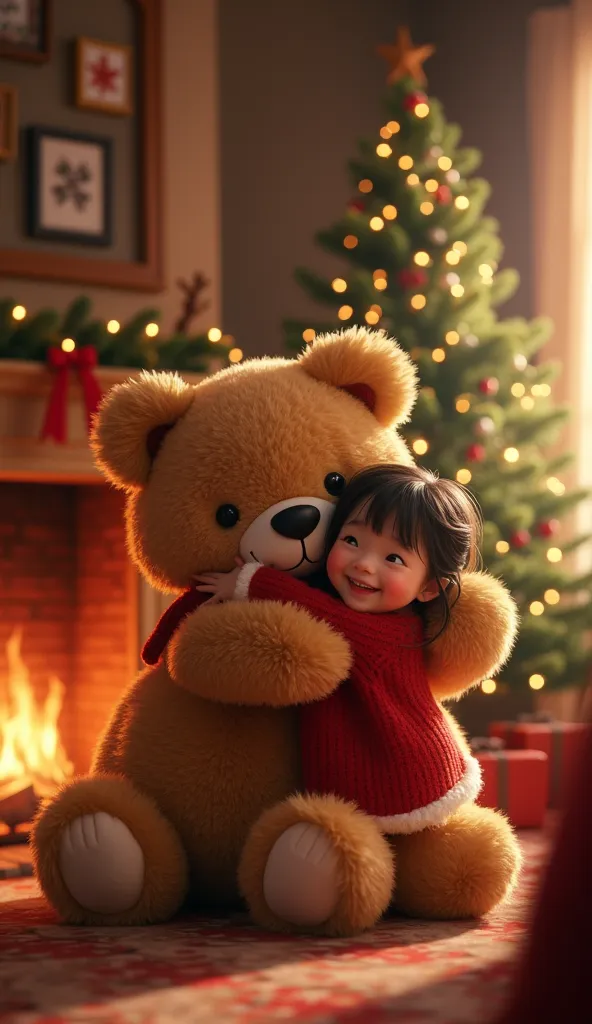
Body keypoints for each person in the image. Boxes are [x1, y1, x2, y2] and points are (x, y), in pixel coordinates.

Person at [194, 464, 484, 834]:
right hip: (374, 773)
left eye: (393, 558)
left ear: (428, 589)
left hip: (405, 774)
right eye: (351, 540)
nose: (363, 564)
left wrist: (251, 580)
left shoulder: (393, 633)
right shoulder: (357, 606)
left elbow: (327, 616)